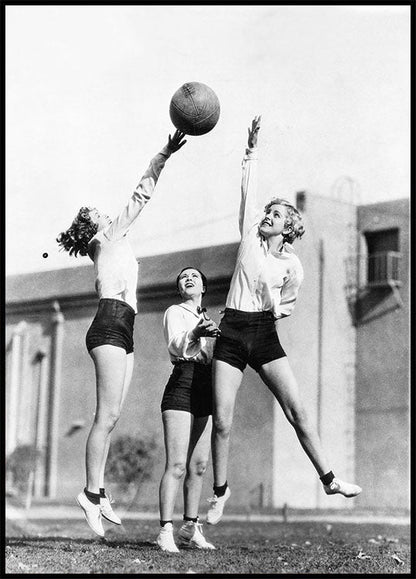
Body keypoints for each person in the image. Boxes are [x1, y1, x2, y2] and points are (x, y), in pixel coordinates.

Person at [206, 116, 362, 525]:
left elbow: (287, 303)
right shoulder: (248, 241)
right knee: (222, 420)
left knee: (299, 412)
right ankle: (220, 492)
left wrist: (273, 310)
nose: (267, 216)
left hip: (264, 333)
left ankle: (329, 479)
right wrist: (251, 151)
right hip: (233, 330)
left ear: (290, 226)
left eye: (276, 213)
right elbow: (247, 193)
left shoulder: (292, 264)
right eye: (268, 212)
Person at [56, 129, 187, 537]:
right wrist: (164, 152)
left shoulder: (110, 241)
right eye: (97, 212)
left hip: (124, 325)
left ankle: (98, 491)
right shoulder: (108, 236)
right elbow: (140, 194)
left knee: (112, 417)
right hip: (111, 322)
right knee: (106, 415)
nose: (106, 213)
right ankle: (91, 494)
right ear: (92, 225)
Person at [156, 267, 220, 553]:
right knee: (177, 465)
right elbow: (177, 344)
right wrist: (196, 332)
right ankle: (165, 531)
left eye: (195, 276)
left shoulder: (209, 319)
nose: (189, 279)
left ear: (203, 287)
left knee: (199, 465)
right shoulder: (174, 311)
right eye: (183, 277)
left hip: (206, 385)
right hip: (182, 383)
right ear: (180, 288)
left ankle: (191, 529)